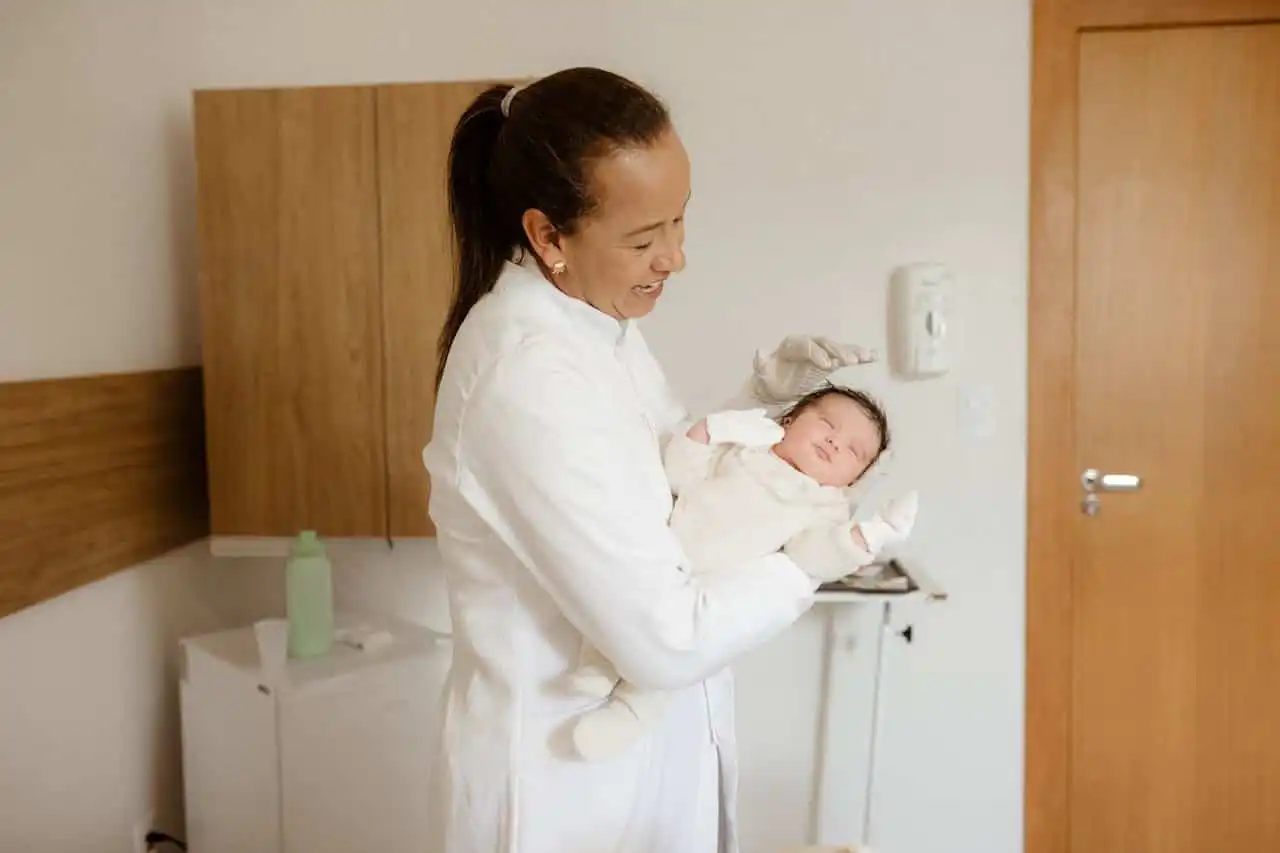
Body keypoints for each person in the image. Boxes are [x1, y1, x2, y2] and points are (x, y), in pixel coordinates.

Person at [423, 67, 896, 853]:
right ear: (548, 236)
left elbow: (665, 480)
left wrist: (764, 407)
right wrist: (810, 562)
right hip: (563, 789)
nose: (674, 257)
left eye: (679, 222)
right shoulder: (524, 371)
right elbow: (664, 637)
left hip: (640, 769)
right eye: (644, 239)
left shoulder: (595, 326)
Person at [568, 386, 920, 761]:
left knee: (670, 666)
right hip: (666, 553)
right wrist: (709, 430)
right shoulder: (743, 451)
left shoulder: (825, 506)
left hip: (713, 591)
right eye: (827, 423)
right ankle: (597, 665)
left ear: (854, 480)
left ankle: (627, 716)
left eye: (854, 451)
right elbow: (679, 473)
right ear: (789, 421)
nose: (834, 443)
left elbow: (813, 555)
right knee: (622, 604)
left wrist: (865, 537)